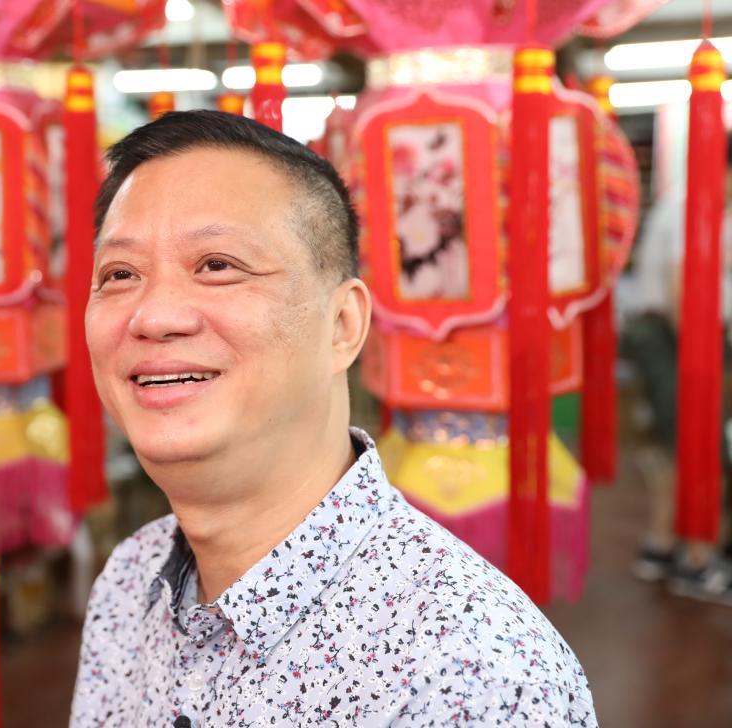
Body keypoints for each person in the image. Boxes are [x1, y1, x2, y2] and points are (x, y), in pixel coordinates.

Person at [69, 110, 595, 727]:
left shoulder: (469, 670)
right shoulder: (130, 580)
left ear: (343, 325)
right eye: (120, 274)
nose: (154, 316)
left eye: (217, 265)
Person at [623, 158, 732, 603]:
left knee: (679, 446)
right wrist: (707, 363)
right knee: (700, 444)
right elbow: (681, 292)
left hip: (685, 339)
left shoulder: (701, 205)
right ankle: (695, 561)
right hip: (677, 340)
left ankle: (662, 546)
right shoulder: (692, 207)